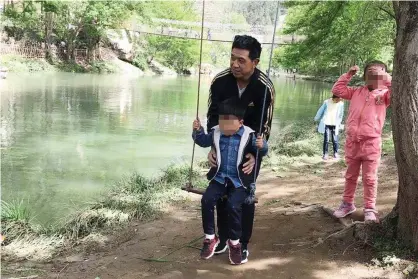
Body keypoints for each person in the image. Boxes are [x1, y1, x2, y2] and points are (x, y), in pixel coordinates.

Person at [206, 35, 275, 264]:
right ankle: (224, 238)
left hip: (248, 151)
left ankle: (242, 243)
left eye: (241, 60)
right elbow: (212, 117)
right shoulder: (220, 82)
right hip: (223, 147)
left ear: (254, 62)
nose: (235, 64)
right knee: (220, 193)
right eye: (232, 58)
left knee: (243, 196)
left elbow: (264, 128)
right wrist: (212, 147)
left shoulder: (264, 87)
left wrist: (255, 156)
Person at [193, 98, 268, 265]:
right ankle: (210, 238)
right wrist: (198, 131)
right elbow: (202, 141)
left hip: (239, 182)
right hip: (219, 179)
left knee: (233, 205)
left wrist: (262, 146)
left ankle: (235, 243)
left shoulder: (249, 136)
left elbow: (261, 151)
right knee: (206, 200)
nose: (223, 126)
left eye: (228, 123)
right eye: (221, 121)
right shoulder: (216, 132)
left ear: (240, 123)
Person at [331, 61, 392, 223]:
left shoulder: (385, 95)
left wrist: (386, 78)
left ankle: (370, 208)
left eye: (378, 74)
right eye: (370, 74)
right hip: (353, 142)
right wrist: (348, 75)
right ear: (365, 77)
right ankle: (347, 204)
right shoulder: (357, 92)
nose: (374, 77)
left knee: (370, 178)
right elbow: (337, 90)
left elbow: (397, 92)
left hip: (371, 143)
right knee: (350, 175)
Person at [314, 94, 344, 160]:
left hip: (335, 124)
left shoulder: (341, 104)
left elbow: (341, 114)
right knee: (326, 139)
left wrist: (339, 122)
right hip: (326, 123)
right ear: (334, 97)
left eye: (339, 100)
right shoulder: (327, 102)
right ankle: (325, 154)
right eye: (337, 99)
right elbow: (320, 111)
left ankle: (335, 153)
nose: (338, 101)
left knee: (335, 140)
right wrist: (316, 118)